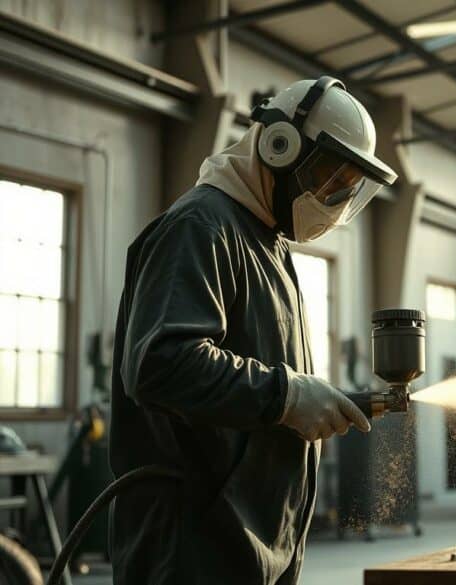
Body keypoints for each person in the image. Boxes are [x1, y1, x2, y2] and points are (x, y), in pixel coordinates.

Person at [108, 77, 396, 584]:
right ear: (279, 147)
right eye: (329, 178)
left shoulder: (269, 245)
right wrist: (285, 395)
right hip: (194, 551)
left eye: (346, 188)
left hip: (251, 545)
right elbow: (162, 362)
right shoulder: (201, 226)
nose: (333, 199)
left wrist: (307, 398)